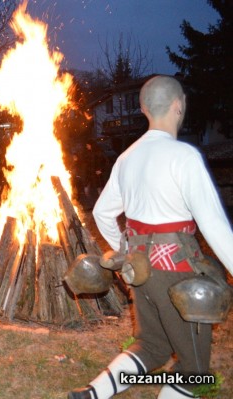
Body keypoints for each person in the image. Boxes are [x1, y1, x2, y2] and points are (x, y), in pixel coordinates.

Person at [68, 75, 233, 398]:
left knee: (152, 345)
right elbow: (213, 224)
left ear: (144, 108)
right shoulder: (184, 156)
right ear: (178, 105)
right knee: (194, 368)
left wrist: (126, 253)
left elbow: (102, 213)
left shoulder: (127, 157)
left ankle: (92, 394)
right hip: (178, 272)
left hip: (139, 271)